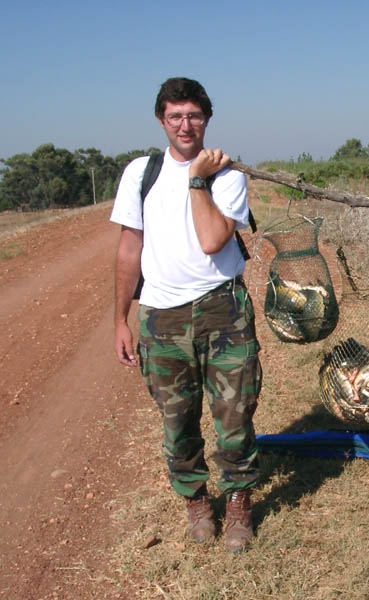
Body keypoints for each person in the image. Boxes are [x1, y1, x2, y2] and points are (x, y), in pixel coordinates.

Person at [111, 77, 262, 553]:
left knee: (234, 415)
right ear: (161, 120)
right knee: (176, 419)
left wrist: (198, 179)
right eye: (175, 116)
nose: (185, 124)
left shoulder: (228, 175)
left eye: (194, 115)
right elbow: (128, 247)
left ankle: (238, 499)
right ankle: (196, 500)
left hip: (223, 310)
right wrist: (120, 319)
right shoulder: (140, 172)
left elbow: (213, 239)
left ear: (207, 119)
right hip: (162, 315)